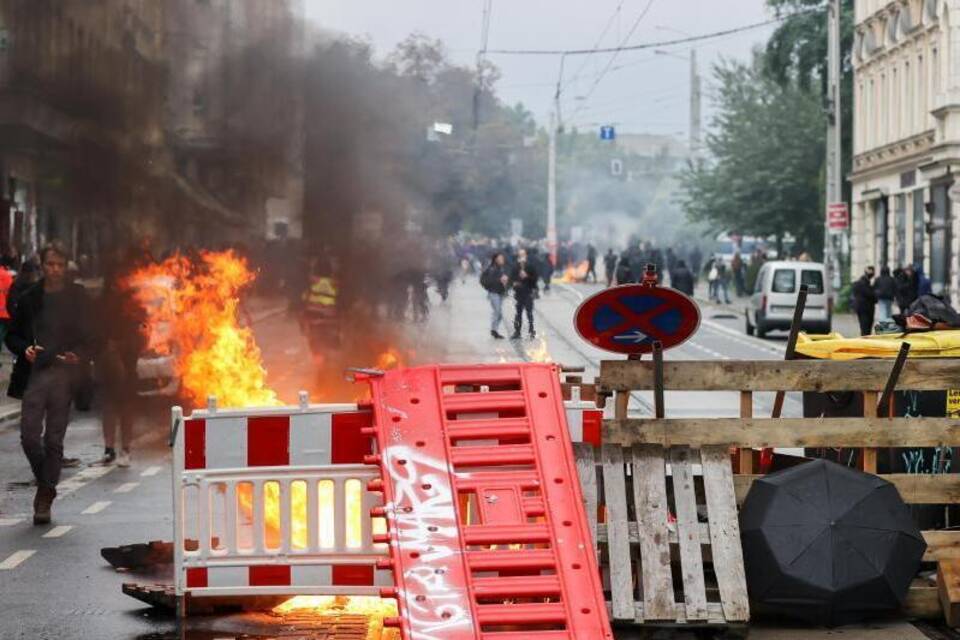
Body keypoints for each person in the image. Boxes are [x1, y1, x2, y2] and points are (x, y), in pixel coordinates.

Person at [6, 243, 93, 524]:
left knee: (54, 439)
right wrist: (25, 350)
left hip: (65, 376)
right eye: (49, 264)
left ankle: (45, 495)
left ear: (66, 266)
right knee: (29, 437)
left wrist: (79, 355)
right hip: (35, 375)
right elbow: (12, 336)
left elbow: (94, 336)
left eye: (59, 264)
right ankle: (47, 480)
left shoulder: (77, 297)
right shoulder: (30, 297)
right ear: (42, 265)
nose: (54, 269)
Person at [96, 264, 145, 467]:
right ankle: (109, 448)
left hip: (128, 360)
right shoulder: (102, 303)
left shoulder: (135, 303)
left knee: (126, 406)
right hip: (107, 361)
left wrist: (126, 345)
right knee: (109, 405)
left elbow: (143, 332)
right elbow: (95, 330)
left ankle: (125, 448)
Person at [510, 248, 539, 340]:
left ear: (526, 256)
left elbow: (535, 279)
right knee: (518, 313)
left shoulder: (530, 266)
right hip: (518, 293)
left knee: (529, 313)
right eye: (520, 255)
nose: (522, 256)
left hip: (528, 292)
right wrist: (514, 283)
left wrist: (527, 276)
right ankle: (517, 331)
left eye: (523, 255)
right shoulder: (515, 267)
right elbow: (511, 278)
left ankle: (531, 330)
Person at [480, 252, 510, 339]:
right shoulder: (491, 269)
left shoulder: (502, 268)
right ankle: (494, 330)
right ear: (496, 259)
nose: (502, 260)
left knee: (499, 313)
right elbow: (487, 280)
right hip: (493, 293)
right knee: (497, 311)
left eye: (502, 258)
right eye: (500, 258)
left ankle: (494, 329)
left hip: (500, 293)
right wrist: (499, 280)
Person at [852, 266, 878, 336]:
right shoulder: (865, 284)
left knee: (864, 327)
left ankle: (864, 340)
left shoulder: (859, 283)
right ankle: (865, 342)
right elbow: (871, 295)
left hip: (861, 308)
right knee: (866, 328)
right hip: (866, 309)